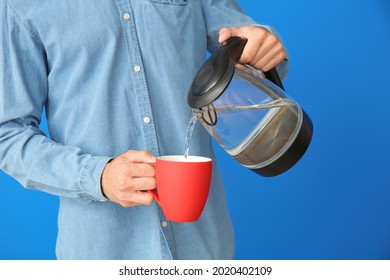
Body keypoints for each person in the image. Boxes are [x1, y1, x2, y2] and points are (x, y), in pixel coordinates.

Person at [0, 0, 288, 259]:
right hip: (102, 254)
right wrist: (97, 177)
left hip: (203, 248)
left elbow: (245, 52)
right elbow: (8, 134)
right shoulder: (21, 5)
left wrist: (261, 48)